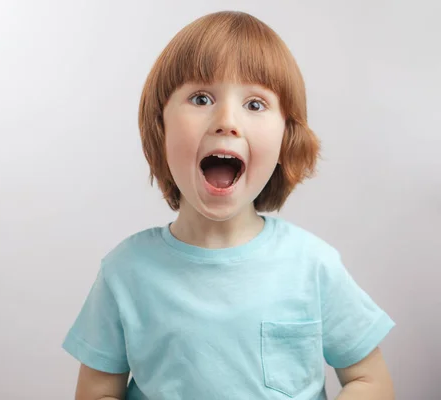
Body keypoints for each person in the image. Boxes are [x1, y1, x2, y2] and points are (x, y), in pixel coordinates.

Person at [62, 11, 395, 400]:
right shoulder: (125, 272)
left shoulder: (313, 265)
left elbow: (370, 381)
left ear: (286, 136)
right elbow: (98, 391)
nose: (227, 122)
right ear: (160, 126)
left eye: (255, 104)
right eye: (201, 98)